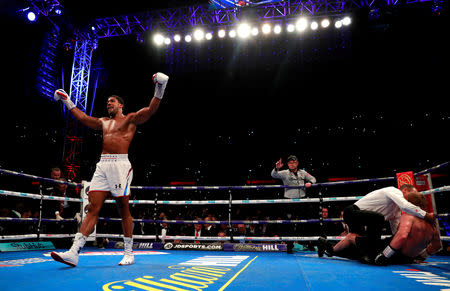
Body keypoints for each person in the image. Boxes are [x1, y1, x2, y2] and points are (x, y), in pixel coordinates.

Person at [50, 72, 169, 267]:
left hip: (120, 165)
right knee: (92, 208)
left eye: (112, 101)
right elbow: (84, 118)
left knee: (123, 208)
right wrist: (68, 101)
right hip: (102, 165)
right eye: (107, 102)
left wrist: (160, 88)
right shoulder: (103, 122)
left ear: (121, 105)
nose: (109, 104)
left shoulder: (130, 119)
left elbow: (150, 110)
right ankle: (74, 252)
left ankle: (129, 253)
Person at [318, 184, 437, 259]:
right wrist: (426, 215)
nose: (414, 198)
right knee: (379, 219)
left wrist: (394, 249)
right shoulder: (394, 191)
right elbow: (405, 205)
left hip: (365, 220)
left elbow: (396, 230)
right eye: (413, 193)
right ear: (405, 190)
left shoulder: (396, 211)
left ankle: (329, 248)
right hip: (352, 212)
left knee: (362, 249)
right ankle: (371, 251)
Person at [374, 192, 442, 265]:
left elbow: (402, 236)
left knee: (367, 244)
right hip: (409, 259)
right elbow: (437, 245)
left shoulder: (408, 217)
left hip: (395, 254)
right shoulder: (432, 224)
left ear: (410, 204)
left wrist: (385, 255)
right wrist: (421, 257)